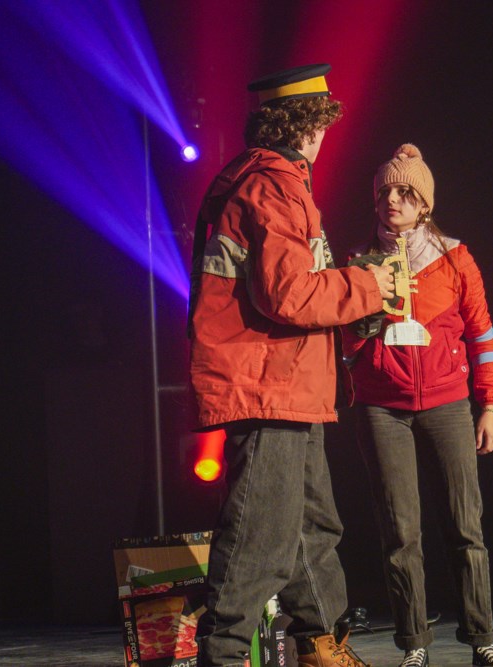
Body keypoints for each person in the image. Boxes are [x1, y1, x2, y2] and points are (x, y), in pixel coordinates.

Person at [187, 63, 394, 667]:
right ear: (309, 126)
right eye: (324, 122)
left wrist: (355, 296)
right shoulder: (272, 186)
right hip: (266, 383)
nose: (326, 135)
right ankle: (222, 658)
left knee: (311, 528)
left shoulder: (261, 181)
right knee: (260, 540)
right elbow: (289, 296)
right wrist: (368, 283)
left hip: (288, 382)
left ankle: (322, 648)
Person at [342, 144, 493, 667]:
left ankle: (481, 639)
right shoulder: (359, 263)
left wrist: (490, 406)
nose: (392, 200)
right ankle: (414, 645)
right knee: (400, 531)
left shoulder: (456, 258)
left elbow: (484, 337)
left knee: (466, 525)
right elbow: (346, 345)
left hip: (447, 400)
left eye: (404, 193)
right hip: (382, 406)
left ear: (424, 204)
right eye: (384, 193)